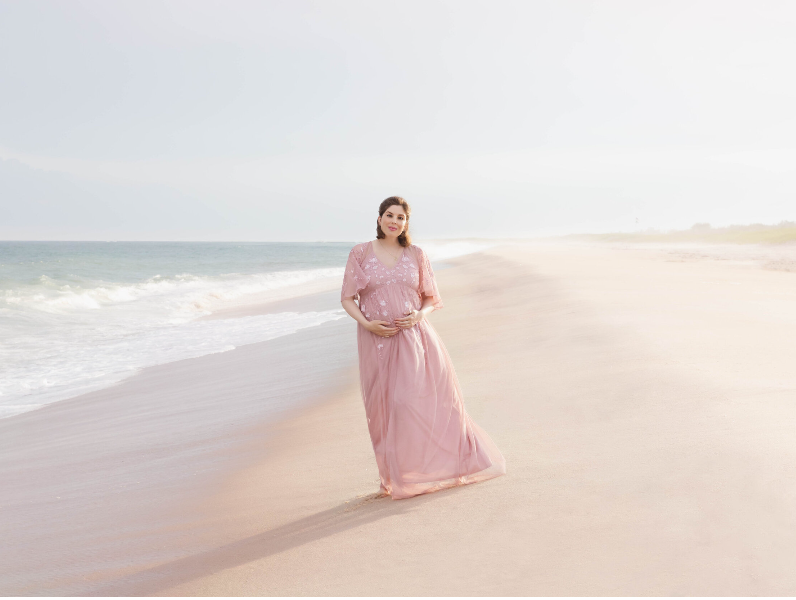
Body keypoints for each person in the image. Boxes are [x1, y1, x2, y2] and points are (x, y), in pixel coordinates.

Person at [341, 196, 506, 499]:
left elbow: (431, 297)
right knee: (386, 408)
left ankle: (446, 466)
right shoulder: (361, 253)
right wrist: (367, 324)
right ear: (379, 219)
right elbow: (347, 298)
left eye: (401, 218)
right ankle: (395, 476)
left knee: (413, 402)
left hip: (416, 338)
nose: (395, 221)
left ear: (406, 223)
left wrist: (419, 314)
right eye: (389, 216)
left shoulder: (416, 254)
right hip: (377, 341)